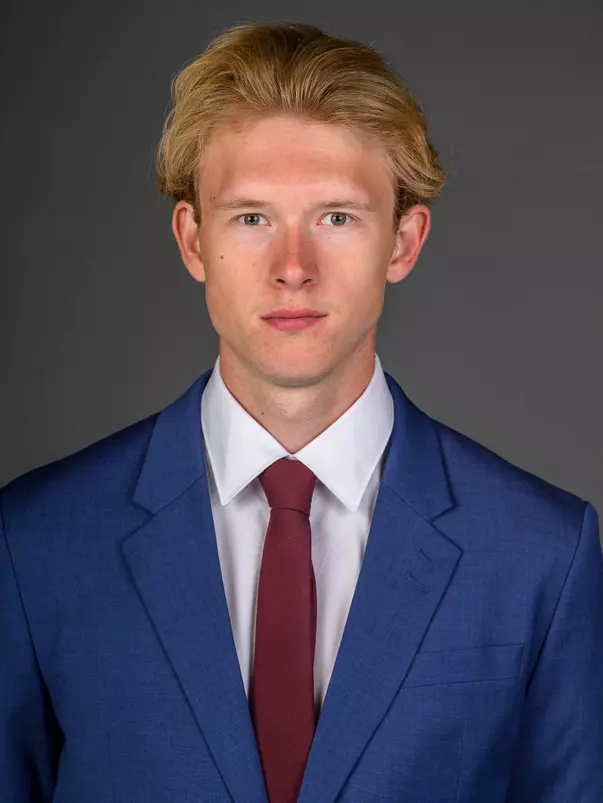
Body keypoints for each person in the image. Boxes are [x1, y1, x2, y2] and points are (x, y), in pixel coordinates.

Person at [1, 19, 602, 803]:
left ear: (402, 242)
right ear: (192, 240)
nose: (293, 268)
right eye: (251, 218)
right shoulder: (33, 541)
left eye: (336, 217)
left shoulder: (541, 556)